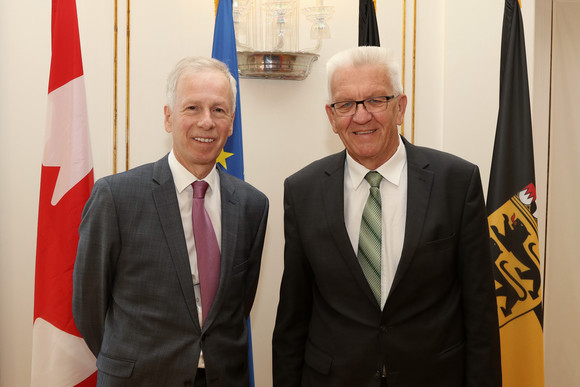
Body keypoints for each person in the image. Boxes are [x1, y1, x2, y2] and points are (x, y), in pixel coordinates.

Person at [272, 46, 501, 387]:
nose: (361, 116)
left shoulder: (456, 182)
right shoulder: (302, 191)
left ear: (400, 107)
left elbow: (480, 312)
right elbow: (293, 316)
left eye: (376, 100)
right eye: (346, 104)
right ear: (331, 116)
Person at [73, 56, 269, 386]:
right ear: (168, 117)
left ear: (231, 122)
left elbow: (238, 304)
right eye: (192, 108)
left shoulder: (252, 205)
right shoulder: (116, 197)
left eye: (218, 110)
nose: (206, 122)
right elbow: (87, 305)